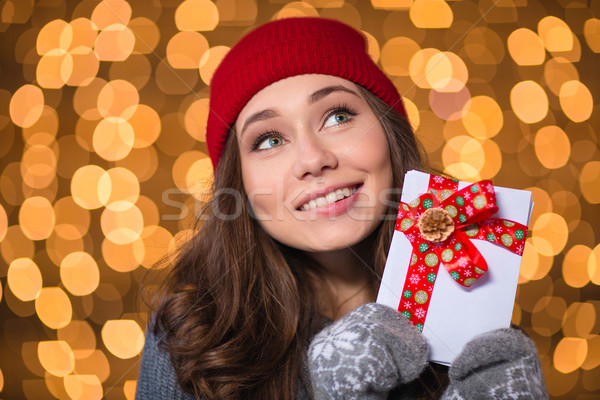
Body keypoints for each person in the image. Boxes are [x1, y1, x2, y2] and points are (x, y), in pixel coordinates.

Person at [136, 17, 547, 400]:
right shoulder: (194, 333)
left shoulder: (473, 300)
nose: (313, 159)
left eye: (337, 116)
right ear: (238, 182)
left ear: (390, 134)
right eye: (269, 140)